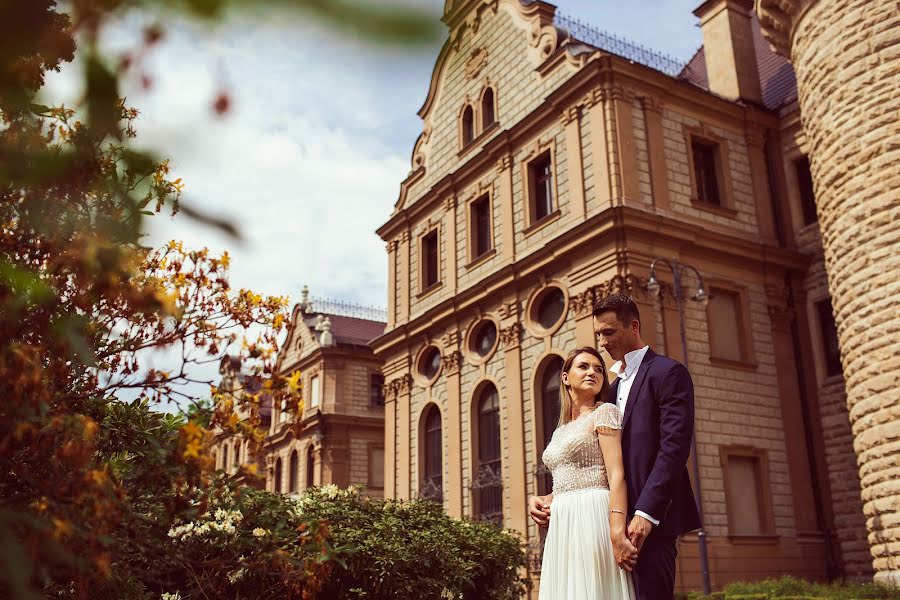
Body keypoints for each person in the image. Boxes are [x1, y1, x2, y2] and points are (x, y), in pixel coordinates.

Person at [592, 293, 701, 600]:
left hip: (652, 522)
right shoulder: (610, 390)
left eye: (609, 332)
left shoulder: (668, 373)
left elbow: (674, 448)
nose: (602, 342)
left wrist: (646, 513)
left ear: (634, 326)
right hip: (612, 523)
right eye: (598, 334)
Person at [529, 346, 636, 600]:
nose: (593, 373)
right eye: (584, 367)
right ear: (565, 377)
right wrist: (543, 500)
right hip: (563, 523)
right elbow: (567, 481)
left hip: (593, 515)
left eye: (598, 369)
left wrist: (617, 530)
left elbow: (617, 475)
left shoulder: (605, 412)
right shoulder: (560, 430)